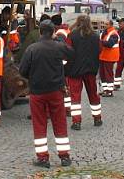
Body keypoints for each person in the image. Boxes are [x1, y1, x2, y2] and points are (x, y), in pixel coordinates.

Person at [19, 20, 74, 169]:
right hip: (56, 90)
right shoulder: (59, 47)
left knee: (39, 124)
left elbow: (22, 71)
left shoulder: (32, 49)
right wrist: (63, 73)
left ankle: (42, 158)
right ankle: (64, 156)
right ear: (53, 32)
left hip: (37, 92)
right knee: (60, 122)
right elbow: (73, 56)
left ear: (41, 32)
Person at [65, 15, 102, 129]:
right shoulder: (95, 37)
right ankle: (97, 118)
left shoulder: (72, 35)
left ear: (77, 22)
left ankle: (76, 122)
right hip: (91, 70)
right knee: (93, 95)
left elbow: (67, 52)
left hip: (75, 71)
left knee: (75, 97)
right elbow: (99, 50)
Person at [51, 14, 71, 115]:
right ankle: (67, 108)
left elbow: (60, 48)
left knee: (63, 86)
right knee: (65, 86)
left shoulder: (59, 34)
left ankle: (66, 109)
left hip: (62, 63)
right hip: (68, 62)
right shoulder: (66, 30)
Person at [98, 19, 120, 97]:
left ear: (111, 25)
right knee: (102, 74)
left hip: (110, 57)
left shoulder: (114, 34)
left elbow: (110, 44)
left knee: (108, 74)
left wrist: (100, 42)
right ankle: (105, 89)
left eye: (106, 24)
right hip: (103, 56)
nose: (105, 25)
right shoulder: (104, 33)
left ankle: (110, 91)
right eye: (104, 24)